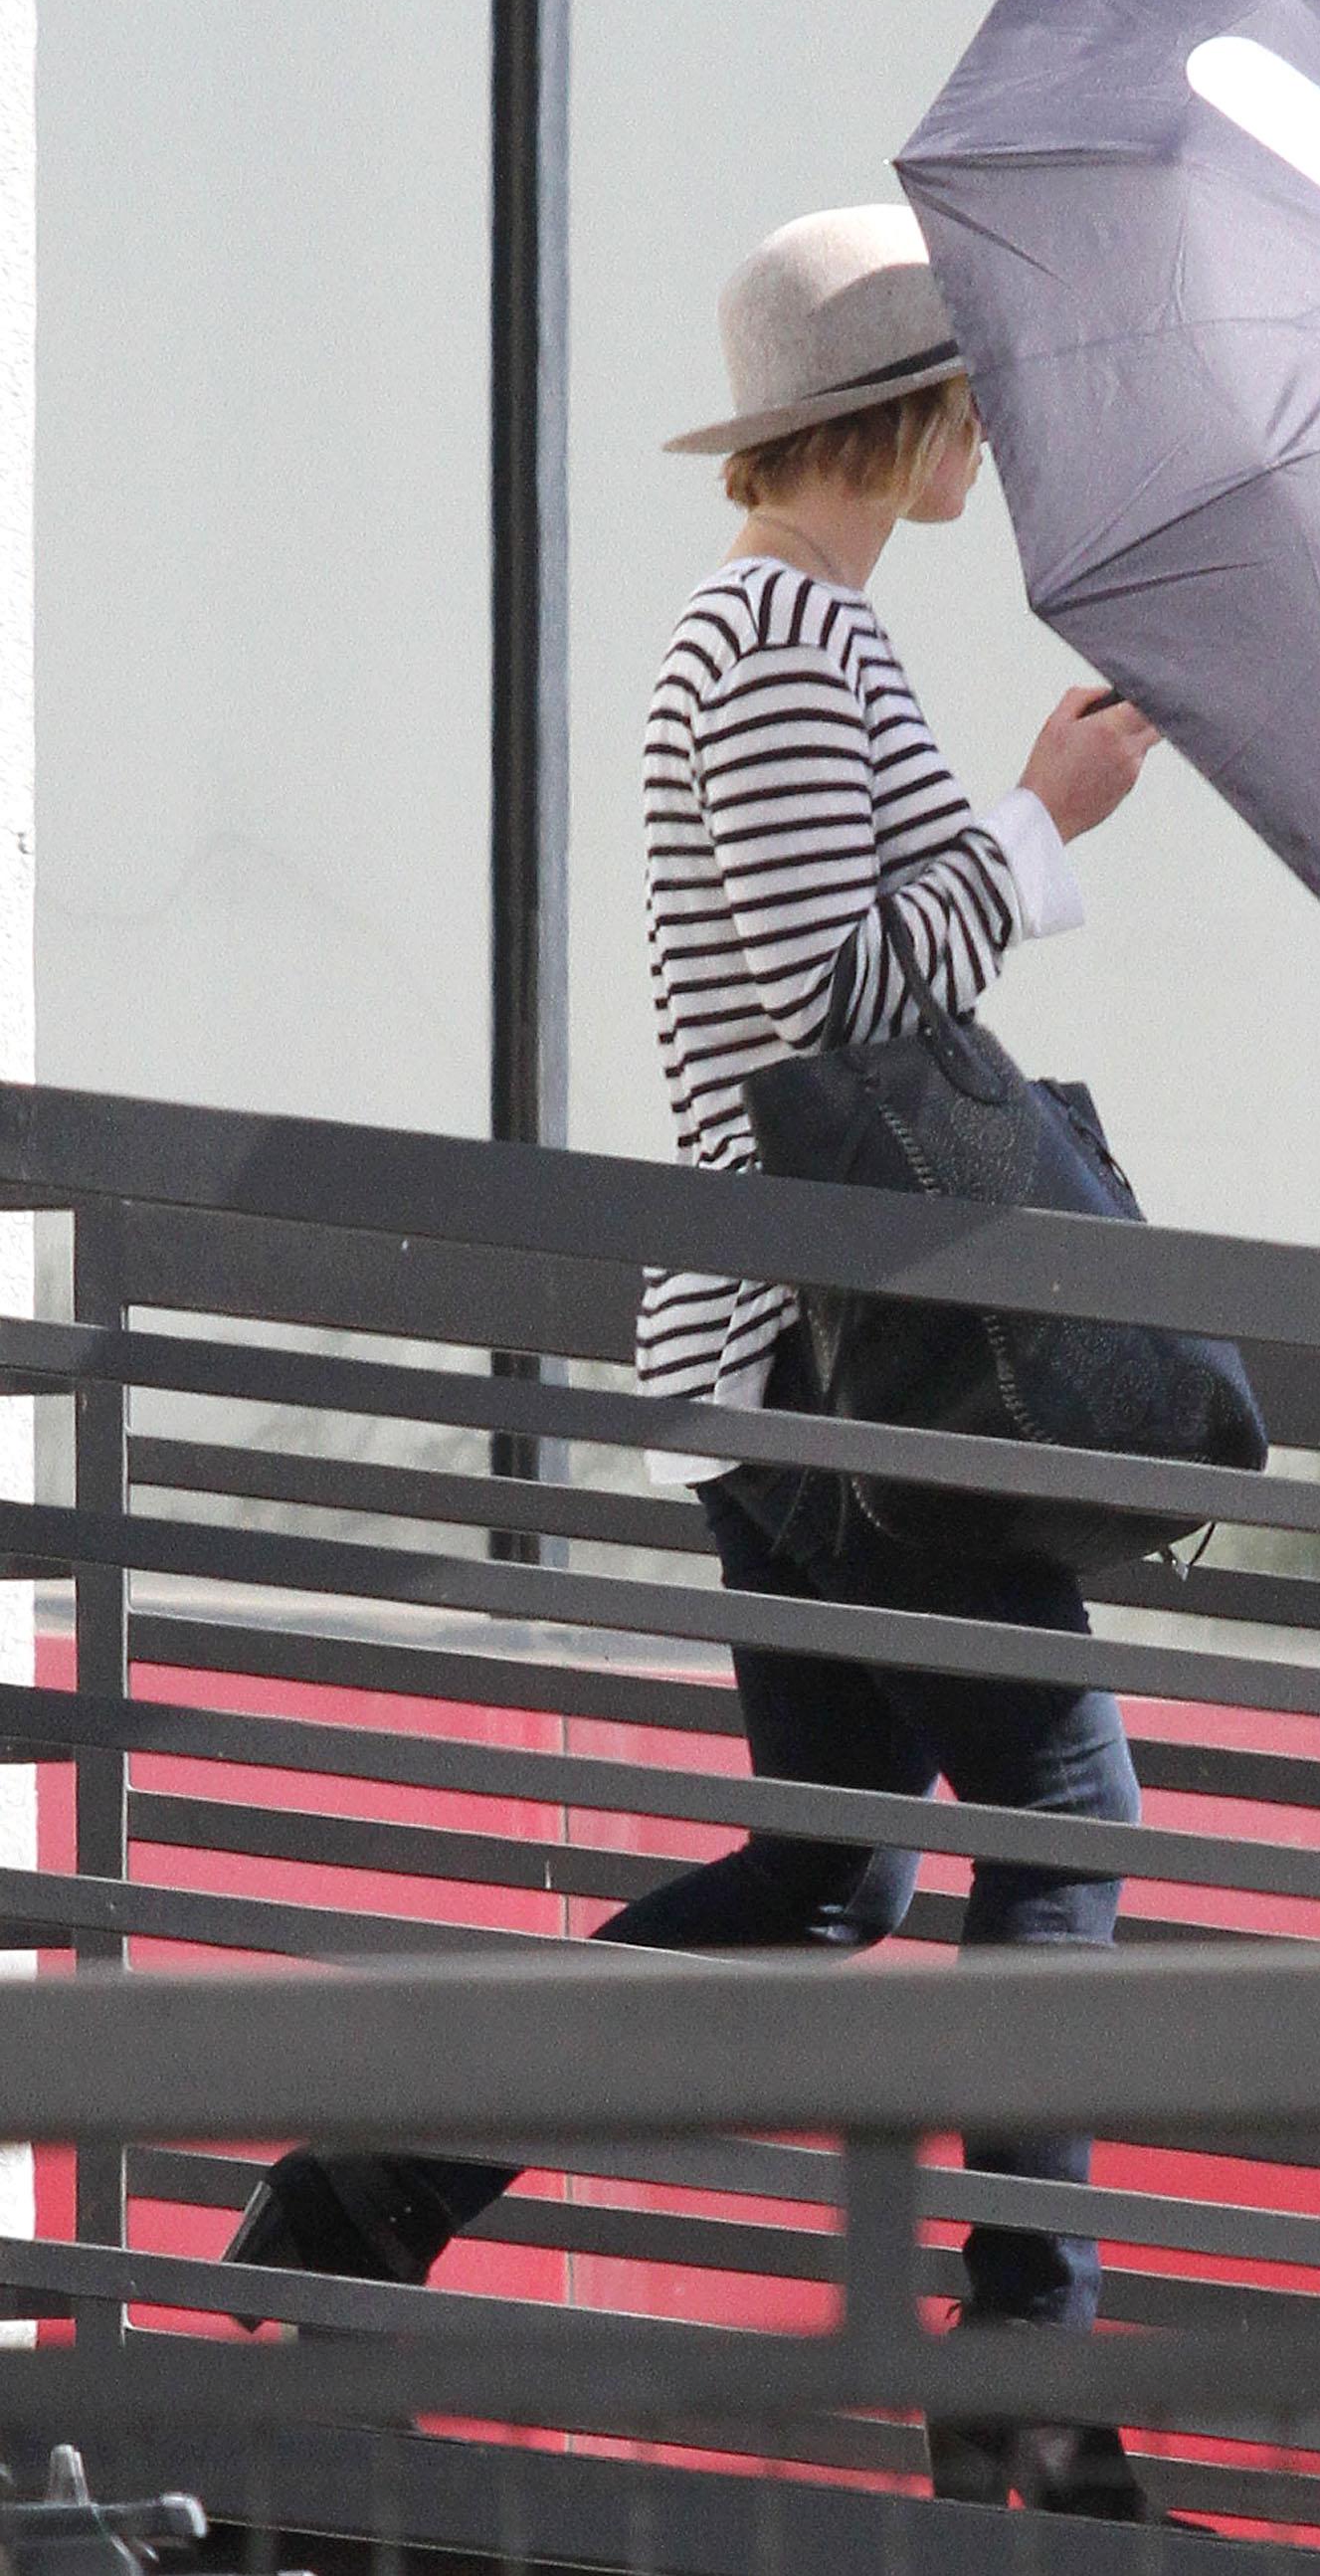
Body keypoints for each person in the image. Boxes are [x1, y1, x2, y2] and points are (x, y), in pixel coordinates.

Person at [224, 205, 1175, 2520]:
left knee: (825, 1876)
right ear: (912, 409)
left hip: (799, 1372)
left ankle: (360, 2195)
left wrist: (1002, 819)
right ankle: (1021, 2377)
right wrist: (1041, 833)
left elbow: (828, 977)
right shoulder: (770, 641)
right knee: (1065, 1808)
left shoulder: (796, 635)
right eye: (978, 395)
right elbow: (824, 1007)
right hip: (830, 1379)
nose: (996, 437)